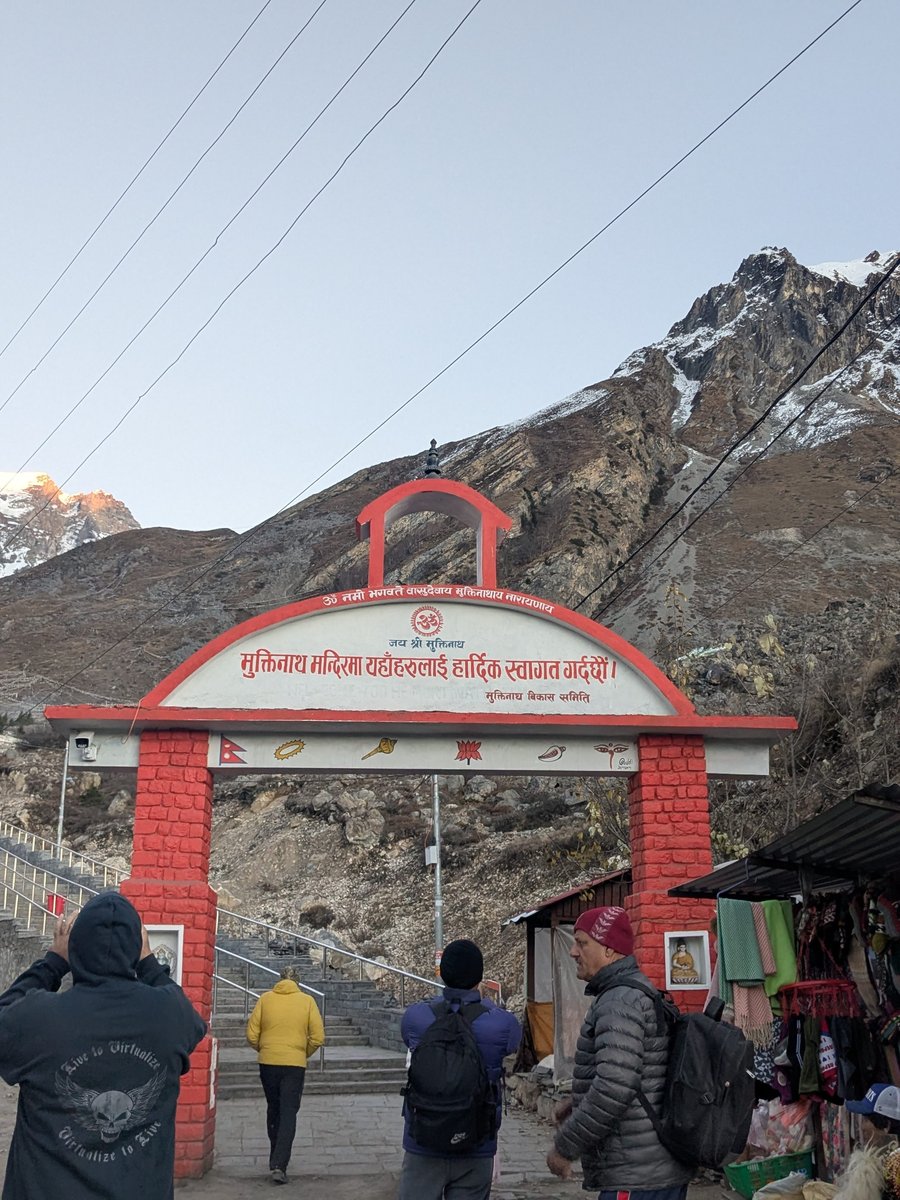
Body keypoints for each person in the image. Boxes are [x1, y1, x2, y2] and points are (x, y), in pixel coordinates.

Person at [0, 893, 206, 1200]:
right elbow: (193, 1022)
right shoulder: (168, 1015)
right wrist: (149, 961)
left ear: (76, 947)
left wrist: (53, 962)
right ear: (136, 950)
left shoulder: (40, 1017)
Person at [546, 905, 692, 1200]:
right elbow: (641, 1076)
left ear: (610, 950)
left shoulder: (619, 1001)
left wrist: (565, 1147)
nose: (574, 951)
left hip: (637, 1174)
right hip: (654, 1168)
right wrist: (577, 1102)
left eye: (582, 943)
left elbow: (614, 1087)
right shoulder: (633, 991)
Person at [399, 938, 521, 1200]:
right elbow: (513, 1046)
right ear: (480, 977)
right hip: (475, 1143)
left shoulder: (416, 1018)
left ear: (442, 974)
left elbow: (408, 1040)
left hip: (423, 1141)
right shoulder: (502, 1024)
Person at [246, 963, 325, 1185]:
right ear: (297, 982)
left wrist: (264, 1049)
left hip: (268, 1063)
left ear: (279, 980)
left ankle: (274, 1156)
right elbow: (318, 1037)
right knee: (289, 1112)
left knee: (274, 1107)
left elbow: (252, 1034)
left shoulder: (265, 999)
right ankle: (280, 1164)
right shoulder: (307, 1001)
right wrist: (301, 1053)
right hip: (294, 1065)